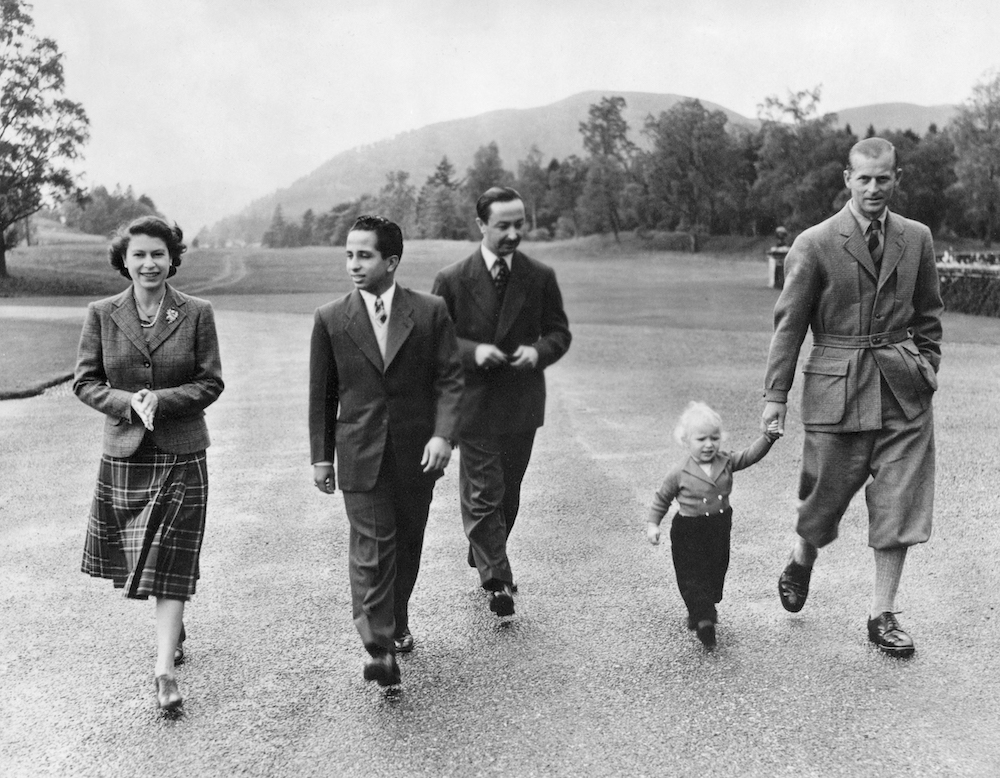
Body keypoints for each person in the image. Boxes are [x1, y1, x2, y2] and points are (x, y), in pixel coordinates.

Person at [762, 137, 943, 657]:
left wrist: (926, 366)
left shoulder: (917, 238)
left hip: (904, 393)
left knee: (899, 503)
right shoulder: (815, 242)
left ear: (896, 179)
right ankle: (802, 556)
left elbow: (929, 316)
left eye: (883, 178)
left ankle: (881, 615)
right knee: (823, 501)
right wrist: (776, 394)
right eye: (863, 178)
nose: (873, 188)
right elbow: (789, 326)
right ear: (847, 179)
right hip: (836, 388)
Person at [74, 216, 224, 711]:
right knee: (149, 561)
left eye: (158, 254)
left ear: (172, 258)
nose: (149, 263)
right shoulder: (101, 313)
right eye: (138, 254)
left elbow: (210, 382)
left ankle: (163, 672)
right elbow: (85, 382)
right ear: (124, 260)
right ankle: (172, 630)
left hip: (181, 451)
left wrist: (161, 399)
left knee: (171, 561)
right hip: (127, 454)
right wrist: (124, 402)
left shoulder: (197, 312)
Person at [309, 215, 463, 687]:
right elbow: (323, 393)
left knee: (408, 544)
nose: (354, 264)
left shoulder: (431, 311)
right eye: (349, 255)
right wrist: (320, 456)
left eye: (365, 255)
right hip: (358, 452)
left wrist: (442, 435)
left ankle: (395, 622)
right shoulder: (331, 318)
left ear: (391, 261)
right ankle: (378, 647)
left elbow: (451, 382)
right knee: (372, 549)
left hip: (417, 454)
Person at [431, 187, 571, 617]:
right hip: (472, 404)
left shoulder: (540, 275)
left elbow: (559, 333)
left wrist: (538, 352)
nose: (513, 234)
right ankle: (498, 580)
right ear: (481, 226)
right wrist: (473, 352)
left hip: (521, 402)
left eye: (519, 224)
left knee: (509, 491)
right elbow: (434, 341)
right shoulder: (452, 279)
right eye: (503, 226)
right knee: (483, 491)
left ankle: (485, 547)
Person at [646, 402, 779, 647]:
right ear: (686, 441)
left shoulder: (725, 461)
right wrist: (653, 525)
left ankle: (705, 604)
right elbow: (662, 498)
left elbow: (750, 455)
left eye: (714, 438)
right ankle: (703, 618)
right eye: (701, 439)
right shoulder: (679, 472)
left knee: (716, 571)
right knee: (691, 576)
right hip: (688, 529)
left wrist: (768, 438)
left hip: (718, 525)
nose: (709, 444)